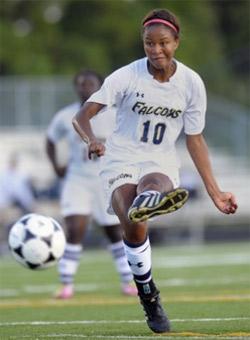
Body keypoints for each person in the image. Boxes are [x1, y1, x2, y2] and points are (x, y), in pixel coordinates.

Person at [72, 9, 238, 333]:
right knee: (132, 224)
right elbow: (81, 116)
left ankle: (149, 198)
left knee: (153, 185)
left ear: (176, 42)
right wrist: (90, 140)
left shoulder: (191, 83)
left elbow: (195, 140)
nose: (156, 50)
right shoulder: (125, 76)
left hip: (159, 160)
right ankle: (148, 294)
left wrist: (215, 191)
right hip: (120, 158)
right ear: (143, 43)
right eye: (149, 43)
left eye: (163, 43)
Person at [46, 69, 137, 299]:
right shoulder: (66, 115)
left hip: (107, 179)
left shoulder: (117, 114)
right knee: (75, 229)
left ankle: (128, 281)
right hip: (77, 179)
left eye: (90, 84)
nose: (85, 88)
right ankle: (66, 284)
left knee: (114, 232)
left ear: (100, 86)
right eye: (80, 84)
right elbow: (50, 139)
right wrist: (56, 166)